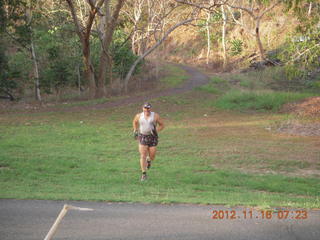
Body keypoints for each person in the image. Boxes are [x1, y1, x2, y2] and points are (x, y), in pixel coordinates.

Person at [132, 102, 164, 181]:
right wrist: (135, 130)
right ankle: (144, 174)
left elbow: (162, 125)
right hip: (143, 136)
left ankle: (149, 160)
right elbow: (135, 122)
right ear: (143, 108)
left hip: (153, 137)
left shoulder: (155, 116)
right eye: (145, 108)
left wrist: (156, 131)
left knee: (152, 156)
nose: (147, 110)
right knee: (143, 155)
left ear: (150, 108)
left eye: (148, 108)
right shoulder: (139, 116)